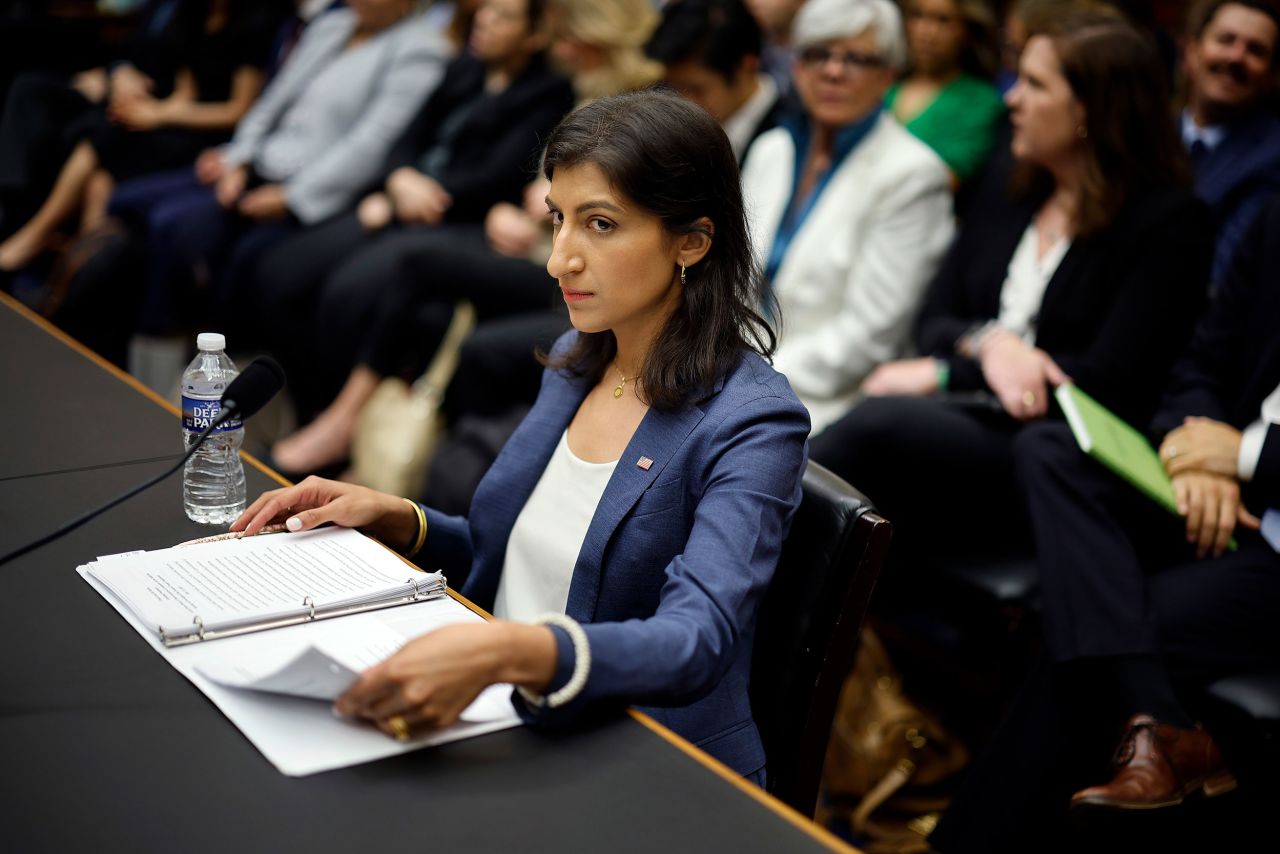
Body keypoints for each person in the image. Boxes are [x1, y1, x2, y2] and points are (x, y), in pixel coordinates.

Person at [230, 90, 810, 784]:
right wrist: (401, 518)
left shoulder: (752, 422)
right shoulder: (581, 356)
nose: (558, 260)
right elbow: (521, 559)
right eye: (557, 220)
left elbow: (695, 642)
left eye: (600, 224)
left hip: (647, 760)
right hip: (513, 716)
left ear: (692, 240)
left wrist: (509, 653)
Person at [930, 194, 1280, 853]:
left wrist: (1249, 457)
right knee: (1052, 451)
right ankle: (1163, 732)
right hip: (1212, 489)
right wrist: (1196, 448)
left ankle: (964, 844)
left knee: (1101, 621)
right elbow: (1203, 359)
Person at [810, 13, 1211, 579]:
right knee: (865, 450)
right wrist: (992, 345)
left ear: (1091, 110)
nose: (1012, 100)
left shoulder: (1168, 224)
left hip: (1053, 451)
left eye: (1036, 85)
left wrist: (950, 374)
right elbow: (936, 318)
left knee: (878, 425)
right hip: (971, 419)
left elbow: (1107, 383)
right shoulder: (1013, 186)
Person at [263, 0, 662, 478]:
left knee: (414, 269)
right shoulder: (580, 90)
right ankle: (354, 433)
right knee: (386, 287)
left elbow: (614, 212)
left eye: (570, 40)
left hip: (560, 263)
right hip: (538, 244)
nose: (563, 49)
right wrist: (514, 211)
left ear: (599, 42)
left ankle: (347, 427)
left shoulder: (638, 108)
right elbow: (532, 188)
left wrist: (549, 211)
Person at [246, 0, 573, 424]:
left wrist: (422, 191)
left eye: (504, 16)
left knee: (345, 293)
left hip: (458, 218)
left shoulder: (547, 92)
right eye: (486, 10)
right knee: (279, 270)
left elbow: (499, 175)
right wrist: (400, 178)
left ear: (534, 36)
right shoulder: (466, 69)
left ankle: (324, 417)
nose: (485, 20)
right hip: (402, 200)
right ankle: (303, 404)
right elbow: (410, 135)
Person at [108, 0, 450, 339]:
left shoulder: (419, 50)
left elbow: (370, 145)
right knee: (131, 205)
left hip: (315, 190)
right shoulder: (333, 25)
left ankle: (182, 357)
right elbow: (272, 101)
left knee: (184, 233)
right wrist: (238, 159)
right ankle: (137, 339)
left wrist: (291, 195)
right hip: (261, 163)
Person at [741, 0, 954, 435]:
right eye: (818, 53)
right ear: (797, 66)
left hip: (828, 406)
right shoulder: (772, 151)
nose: (833, 72)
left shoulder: (912, 175)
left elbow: (868, 336)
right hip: (729, 378)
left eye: (856, 58)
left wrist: (749, 382)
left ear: (889, 75)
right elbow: (730, 283)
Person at [0, 0, 282, 273]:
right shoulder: (193, 13)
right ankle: (75, 274)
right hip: (181, 118)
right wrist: (148, 109)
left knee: (104, 140)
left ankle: (37, 238)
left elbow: (239, 111)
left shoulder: (255, 22)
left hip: (212, 136)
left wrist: (158, 115)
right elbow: (185, 93)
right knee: (102, 170)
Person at [1180, 0, 1280, 291]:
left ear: (1272, 76)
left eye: (1255, 50)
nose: (1236, 57)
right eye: (1226, 40)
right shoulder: (1148, 132)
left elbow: (1224, 278)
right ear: (1191, 51)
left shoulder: (1271, 159)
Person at [646, 0, 783, 166]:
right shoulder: (670, 133)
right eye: (672, 88)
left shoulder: (789, 133)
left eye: (696, 89)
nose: (682, 102)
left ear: (746, 67)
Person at [886, 0, 1004, 186]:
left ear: (966, 31)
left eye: (943, 20)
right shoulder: (886, 87)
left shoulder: (978, 100)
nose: (927, 32)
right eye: (917, 15)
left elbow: (943, 181)